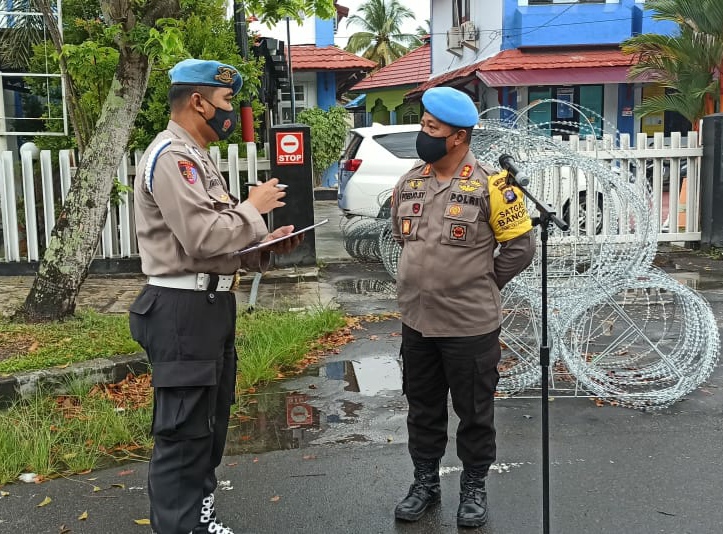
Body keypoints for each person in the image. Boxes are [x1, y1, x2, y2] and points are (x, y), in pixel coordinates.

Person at [129, 58, 302, 534]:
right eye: (225, 102)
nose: (230, 112)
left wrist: (264, 246)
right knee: (183, 435)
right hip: (181, 310)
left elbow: (221, 243)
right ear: (198, 101)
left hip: (210, 306)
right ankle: (180, 528)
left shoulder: (196, 157)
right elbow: (202, 239)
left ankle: (198, 518)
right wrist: (253, 207)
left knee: (208, 427)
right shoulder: (172, 157)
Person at [391, 86, 535, 528]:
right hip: (417, 321)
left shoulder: (494, 187)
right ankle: (425, 484)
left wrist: (483, 281)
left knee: (474, 413)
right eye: (424, 125)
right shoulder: (410, 181)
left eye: (432, 128)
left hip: (470, 326)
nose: (423, 134)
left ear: (457, 138)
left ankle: (473, 488)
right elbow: (404, 238)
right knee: (423, 409)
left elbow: (520, 248)